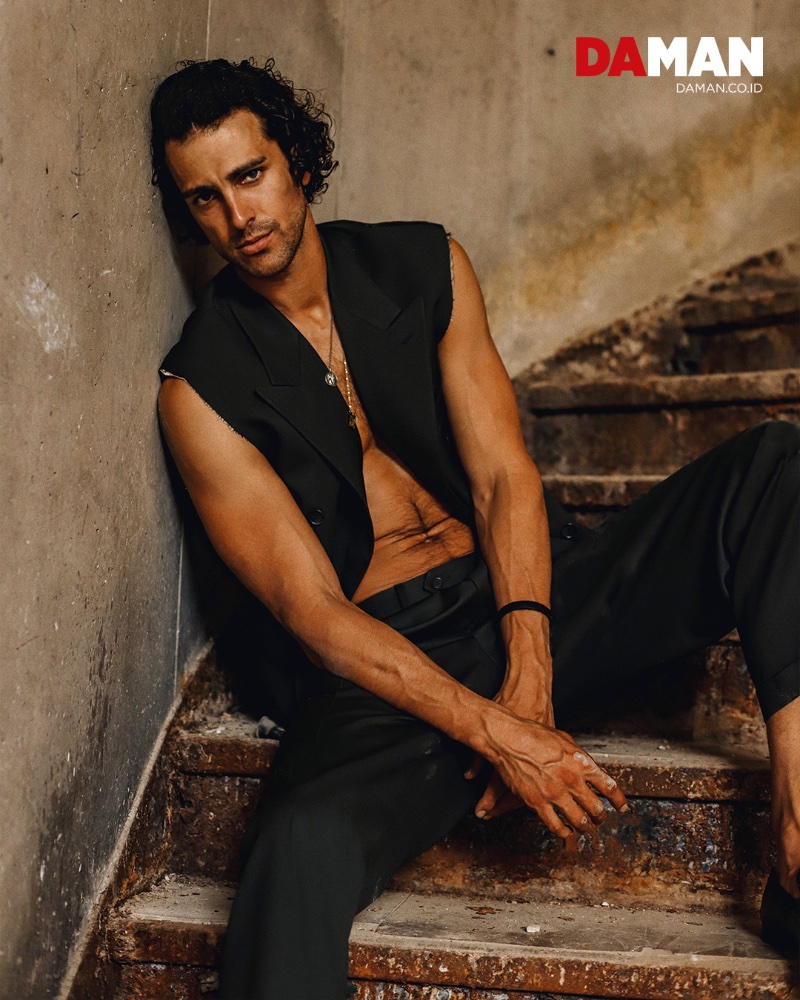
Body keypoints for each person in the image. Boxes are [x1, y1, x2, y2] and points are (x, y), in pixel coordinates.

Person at [150, 58, 799, 999]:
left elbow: (502, 477)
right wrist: (496, 731)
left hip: (525, 594)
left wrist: (529, 671)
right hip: (388, 669)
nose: (238, 216)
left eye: (250, 175)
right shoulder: (198, 388)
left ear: (296, 162)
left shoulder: (424, 265)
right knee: (295, 845)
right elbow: (315, 613)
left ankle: (796, 826)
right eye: (204, 198)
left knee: (774, 463)